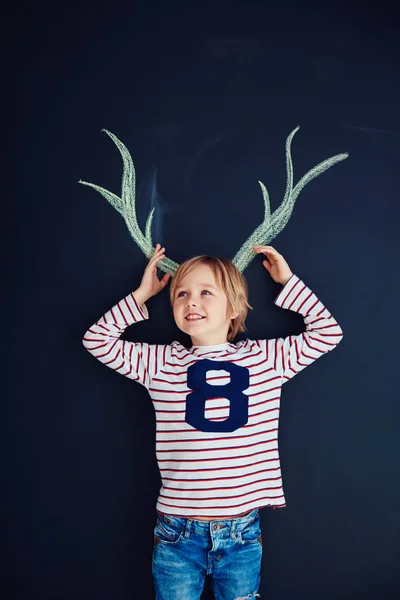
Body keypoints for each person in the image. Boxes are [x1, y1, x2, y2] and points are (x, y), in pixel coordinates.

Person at [82, 243, 343, 600]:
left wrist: (288, 281)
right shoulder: (161, 363)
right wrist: (141, 295)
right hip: (177, 532)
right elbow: (97, 340)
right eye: (182, 294)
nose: (191, 301)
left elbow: (328, 333)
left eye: (206, 292)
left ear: (233, 306)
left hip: (241, 533)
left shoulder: (266, 358)